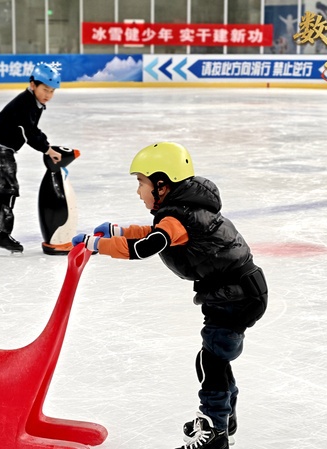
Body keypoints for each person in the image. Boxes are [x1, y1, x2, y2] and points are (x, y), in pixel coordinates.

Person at [72, 142, 268, 449]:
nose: (138, 191)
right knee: (214, 359)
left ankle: (215, 431)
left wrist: (95, 245)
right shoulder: (184, 212)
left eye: (141, 183)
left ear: (162, 185)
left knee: (211, 362)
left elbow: (145, 247)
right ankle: (223, 418)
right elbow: (154, 233)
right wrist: (118, 231)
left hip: (234, 296)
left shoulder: (180, 218)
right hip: (238, 292)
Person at [0, 63, 63, 253]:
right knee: (7, 189)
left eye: (52, 91)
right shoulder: (26, 103)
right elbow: (29, 133)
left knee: (1, 187)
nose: (48, 95)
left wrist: (47, 145)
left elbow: (33, 129)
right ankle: (1, 235)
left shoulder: (35, 102)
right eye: (45, 89)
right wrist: (47, 149)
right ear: (33, 85)